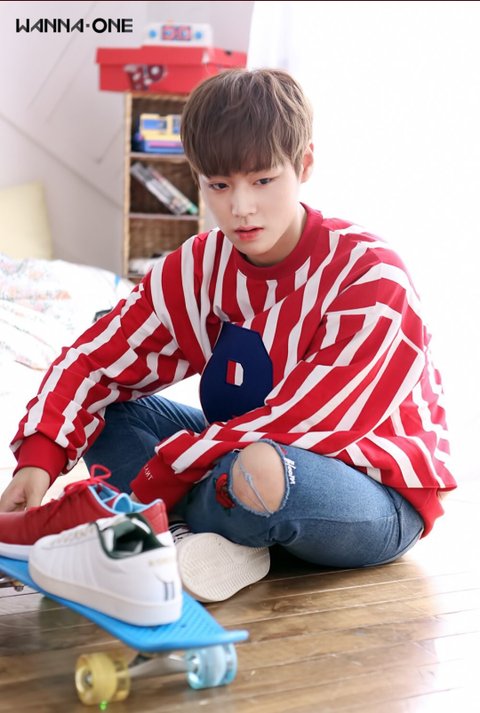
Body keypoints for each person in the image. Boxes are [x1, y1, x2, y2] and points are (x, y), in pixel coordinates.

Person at [0, 69, 456, 602]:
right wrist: (38, 460)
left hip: (372, 488)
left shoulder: (370, 276)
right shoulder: (197, 268)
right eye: (219, 185)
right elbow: (95, 360)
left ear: (304, 164)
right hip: (233, 460)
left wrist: (158, 479)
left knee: (262, 467)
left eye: (263, 181)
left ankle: (155, 527)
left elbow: (302, 425)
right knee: (110, 412)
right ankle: (202, 542)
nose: (240, 208)